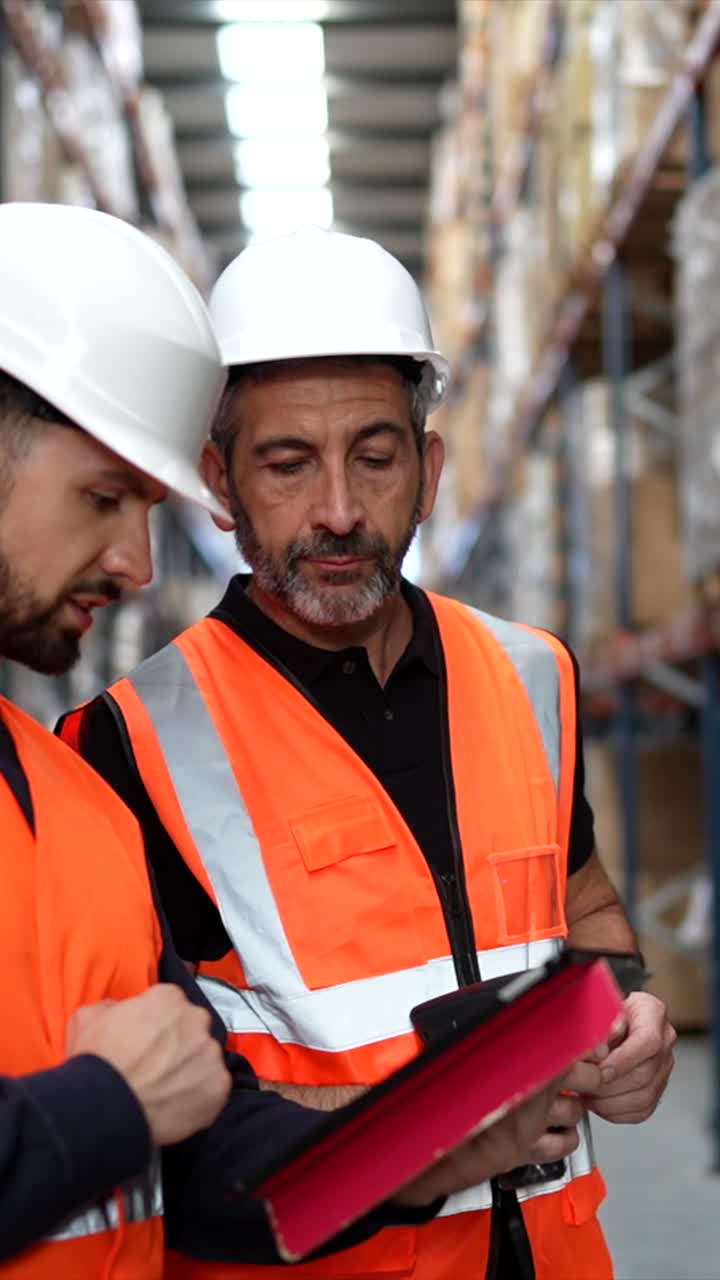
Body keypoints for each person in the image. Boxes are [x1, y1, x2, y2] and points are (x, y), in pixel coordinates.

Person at [62, 227, 676, 1280]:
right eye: (288, 463)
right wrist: (427, 1140)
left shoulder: (534, 674)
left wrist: (632, 1015)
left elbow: (584, 903)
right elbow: (170, 1135)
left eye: (377, 457)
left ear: (430, 469)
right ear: (219, 482)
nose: (339, 510)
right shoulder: (124, 747)